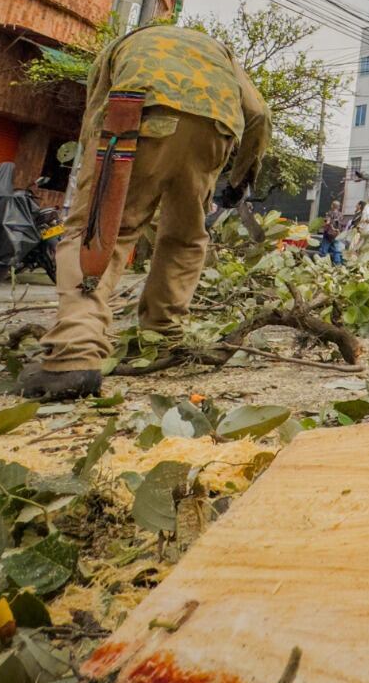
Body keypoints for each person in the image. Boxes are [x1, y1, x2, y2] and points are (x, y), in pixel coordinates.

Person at [17, 23, 270, 400]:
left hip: (137, 115)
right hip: (215, 127)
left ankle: (75, 353)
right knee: (185, 237)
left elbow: (94, 116)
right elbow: (260, 115)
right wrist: (239, 180)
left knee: (101, 231)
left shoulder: (123, 46)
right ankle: (161, 338)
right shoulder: (221, 54)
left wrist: (93, 178)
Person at [320, 198, 349, 265]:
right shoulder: (341, 215)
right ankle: (337, 264)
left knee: (324, 250)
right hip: (337, 234)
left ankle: (322, 264)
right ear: (338, 207)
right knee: (337, 251)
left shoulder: (329, 213)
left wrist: (324, 225)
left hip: (328, 235)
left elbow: (328, 222)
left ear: (332, 206)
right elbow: (343, 225)